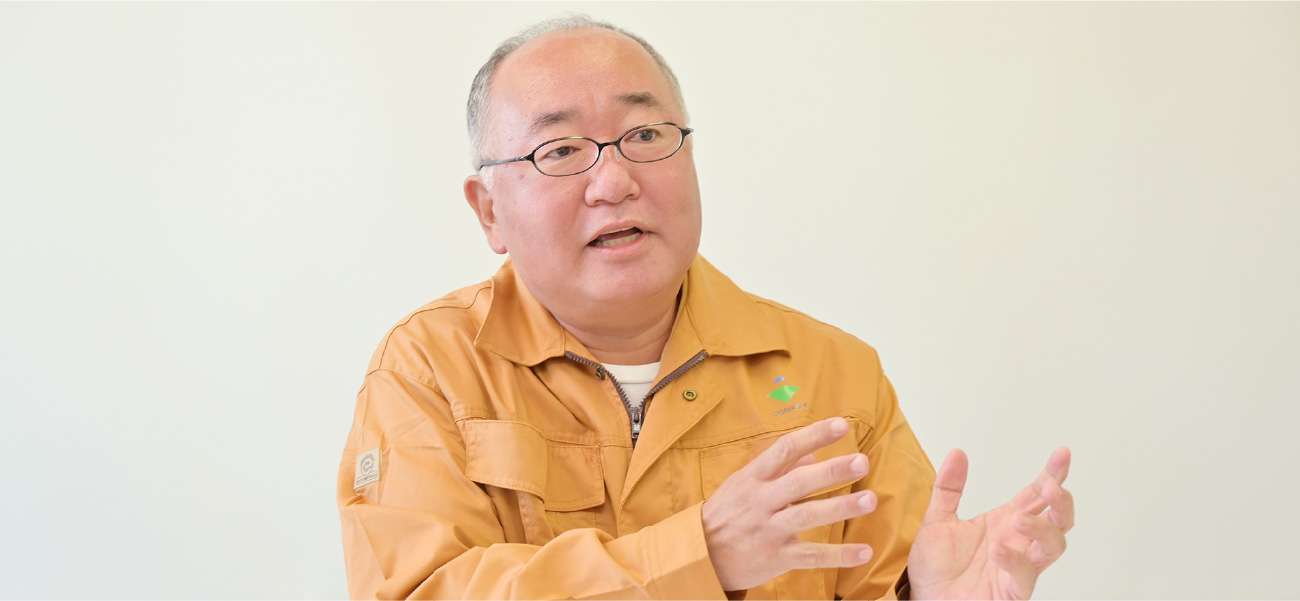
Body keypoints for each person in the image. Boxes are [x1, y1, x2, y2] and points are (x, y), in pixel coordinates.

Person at [337, 16, 1074, 600]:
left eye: (646, 135)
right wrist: (700, 556)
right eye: (560, 150)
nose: (614, 179)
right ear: (488, 210)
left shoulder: (832, 375)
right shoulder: (428, 371)